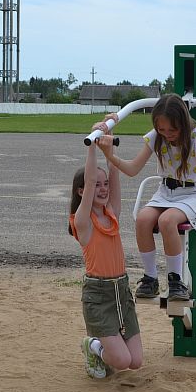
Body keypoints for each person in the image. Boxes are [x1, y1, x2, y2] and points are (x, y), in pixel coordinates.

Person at [95, 94, 196, 302]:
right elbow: (133, 169)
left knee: (167, 220)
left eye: (172, 130)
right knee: (143, 219)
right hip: (165, 192)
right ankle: (150, 278)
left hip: (192, 194)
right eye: (162, 129)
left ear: (183, 123)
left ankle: (176, 280)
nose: (167, 134)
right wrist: (109, 154)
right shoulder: (156, 137)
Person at [69, 136, 144, 379]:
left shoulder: (111, 213)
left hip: (121, 290)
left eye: (105, 185)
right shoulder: (83, 222)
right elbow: (90, 180)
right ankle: (92, 346)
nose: (103, 188)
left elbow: (115, 173)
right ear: (82, 192)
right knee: (121, 361)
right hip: (98, 294)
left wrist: (110, 148)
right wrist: (92, 146)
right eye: (97, 185)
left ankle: (108, 345)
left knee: (136, 361)